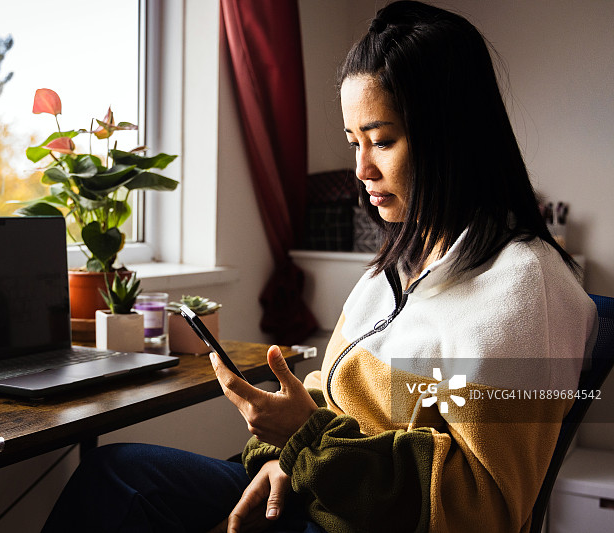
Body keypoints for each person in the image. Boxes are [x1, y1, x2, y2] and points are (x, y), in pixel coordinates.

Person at [42, 2, 598, 532]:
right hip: (315, 487)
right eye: (354, 141)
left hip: (360, 520)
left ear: (452, 137)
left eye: (381, 141)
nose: (360, 168)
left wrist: (306, 442)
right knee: (117, 478)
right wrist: (280, 456)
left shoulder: (526, 287)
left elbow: (484, 510)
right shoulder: (394, 268)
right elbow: (326, 399)